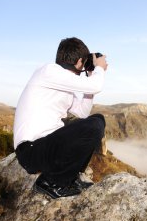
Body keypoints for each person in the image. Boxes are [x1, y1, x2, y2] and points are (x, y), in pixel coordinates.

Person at [13, 37, 108, 199]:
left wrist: (91, 74)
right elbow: (96, 85)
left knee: (97, 120)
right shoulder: (49, 71)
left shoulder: (60, 82)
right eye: (84, 63)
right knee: (93, 126)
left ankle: (70, 177)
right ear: (80, 62)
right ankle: (52, 182)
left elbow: (83, 112)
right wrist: (99, 68)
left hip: (46, 147)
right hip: (31, 151)